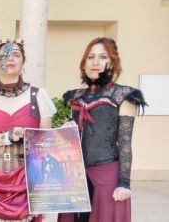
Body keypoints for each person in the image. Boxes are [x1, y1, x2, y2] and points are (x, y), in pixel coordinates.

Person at [0, 39, 57, 222]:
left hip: (27, 178)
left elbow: (44, 142)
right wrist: (6, 137)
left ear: (24, 62)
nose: (10, 58)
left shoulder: (39, 96)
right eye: (4, 55)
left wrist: (64, 137)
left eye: (16, 54)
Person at [58, 37, 147, 222]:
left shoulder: (124, 96)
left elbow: (124, 144)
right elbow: (67, 142)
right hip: (74, 177)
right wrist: (63, 132)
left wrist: (124, 184)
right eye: (91, 57)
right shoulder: (74, 96)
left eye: (103, 57)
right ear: (84, 64)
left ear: (113, 63)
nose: (96, 62)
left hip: (107, 177)